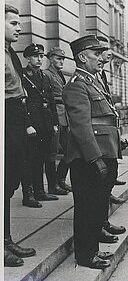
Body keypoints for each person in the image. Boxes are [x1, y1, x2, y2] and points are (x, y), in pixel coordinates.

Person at [63, 34, 122, 269]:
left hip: (102, 152)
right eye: (96, 54)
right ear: (82, 57)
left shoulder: (93, 81)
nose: (101, 58)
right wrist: (96, 159)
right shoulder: (77, 85)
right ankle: (86, 255)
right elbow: (82, 126)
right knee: (87, 207)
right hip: (89, 157)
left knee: (97, 205)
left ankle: (93, 250)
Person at [5, 4, 36, 267]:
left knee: (8, 185)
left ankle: (5, 240)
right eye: (13, 22)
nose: (19, 27)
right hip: (6, 116)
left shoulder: (9, 53)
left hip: (15, 116)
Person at [96, 36, 127, 242]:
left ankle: (103, 222)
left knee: (107, 181)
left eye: (106, 49)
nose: (107, 53)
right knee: (97, 188)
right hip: (98, 142)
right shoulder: (87, 79)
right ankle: (99, 225)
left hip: (108, 137)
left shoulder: (101, 75)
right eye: (102, 50)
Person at [21, 43, 59, 204]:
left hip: (45, 122)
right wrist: (27, 124)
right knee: (29, 159)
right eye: (36, 56)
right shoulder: (23, 75)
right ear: (28, 58)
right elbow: (21, 103)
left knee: (41, 158)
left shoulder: (44, 76)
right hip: (33, 122)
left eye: (41, 56)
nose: (39, 59)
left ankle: (40, 191)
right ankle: (28, 194)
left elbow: (51, 101)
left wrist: (55, 122)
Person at [44, 47, 71, 195]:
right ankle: (53, 185)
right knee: (51, 153)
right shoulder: (46, 74)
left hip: (64, 117)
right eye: (58, 58)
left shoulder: (60, 75)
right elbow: (48, 97)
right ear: (51, 59)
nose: (61, 61)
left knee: (69, 150)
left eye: (63, 59)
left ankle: (60, 179)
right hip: (54, 116)